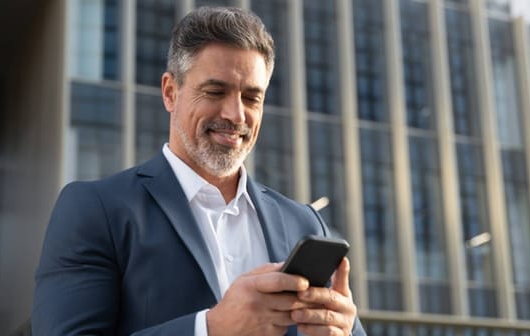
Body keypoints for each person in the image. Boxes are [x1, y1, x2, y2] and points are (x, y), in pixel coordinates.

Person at [32, 6, 366, 336]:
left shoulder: (305, 222)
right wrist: (210, 329)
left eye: (252, 98)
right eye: (215, 91)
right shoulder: (95, 210)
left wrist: (343, 332)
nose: (236, 115)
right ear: (170, 92)